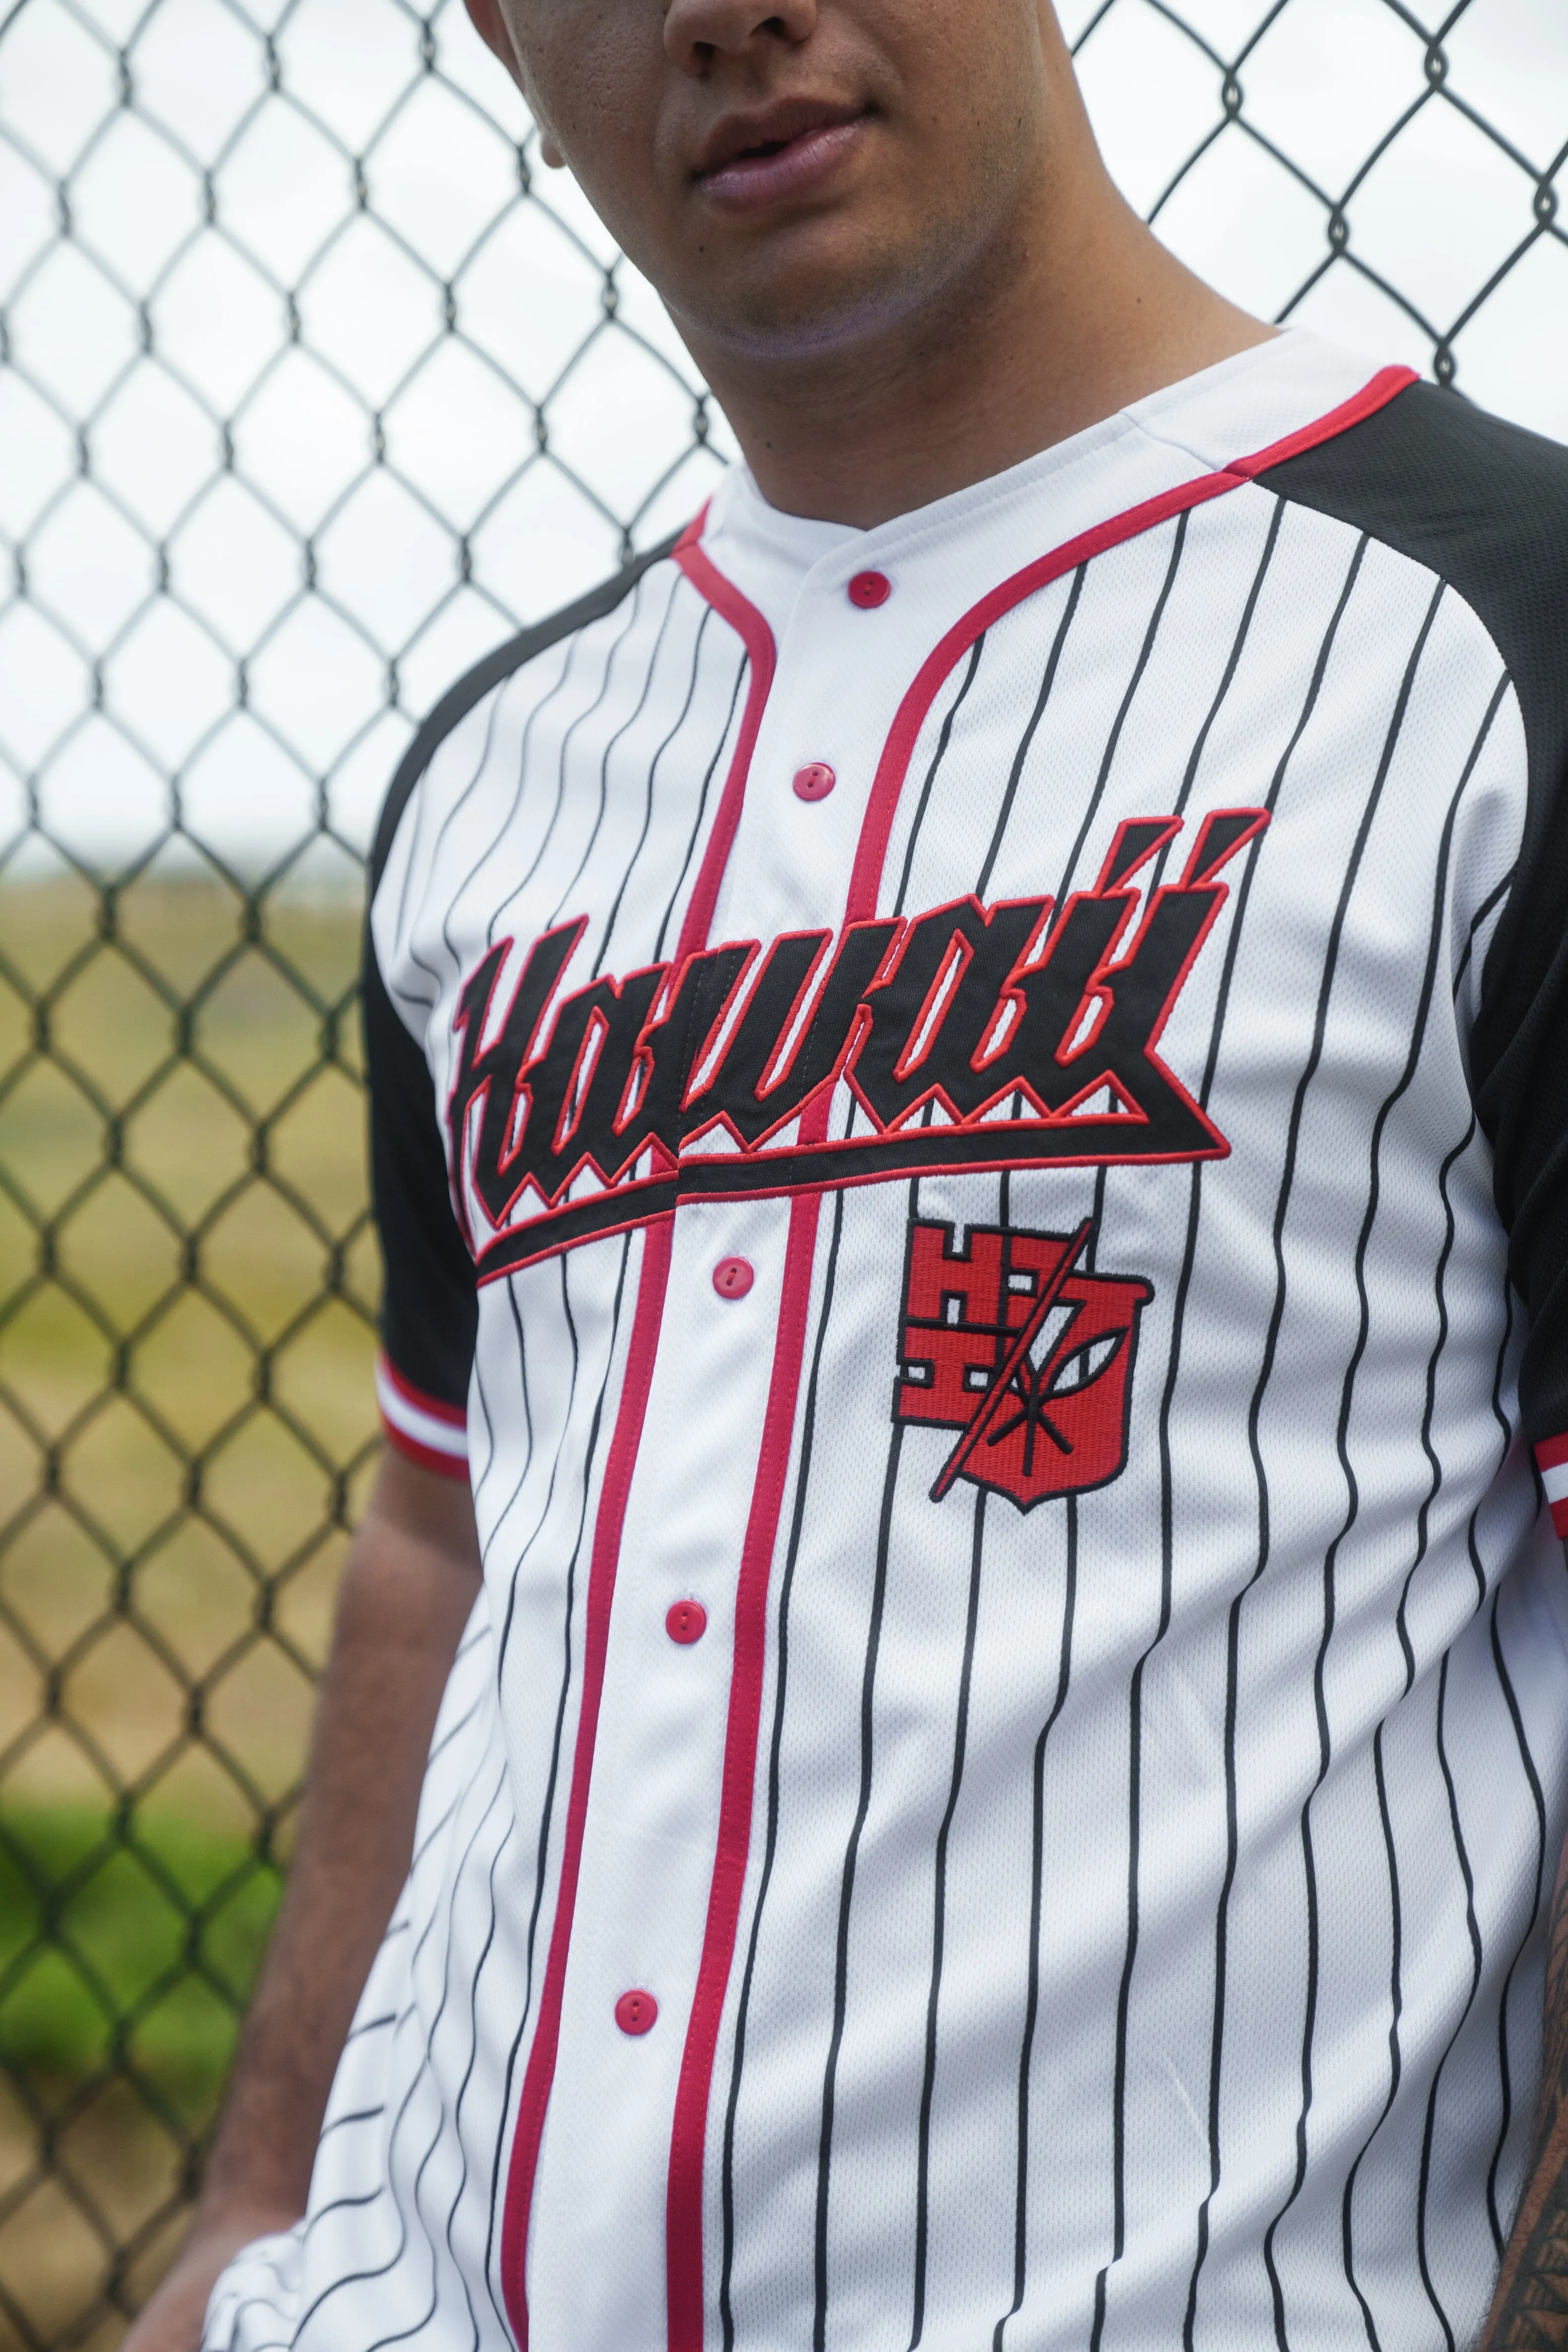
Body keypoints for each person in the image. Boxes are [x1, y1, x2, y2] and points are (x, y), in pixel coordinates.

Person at [125, 0, 1568, 2346]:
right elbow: (440, 1520)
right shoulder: (502, 783)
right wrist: (250, 2217)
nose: (718, 13)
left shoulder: (1501, 644)